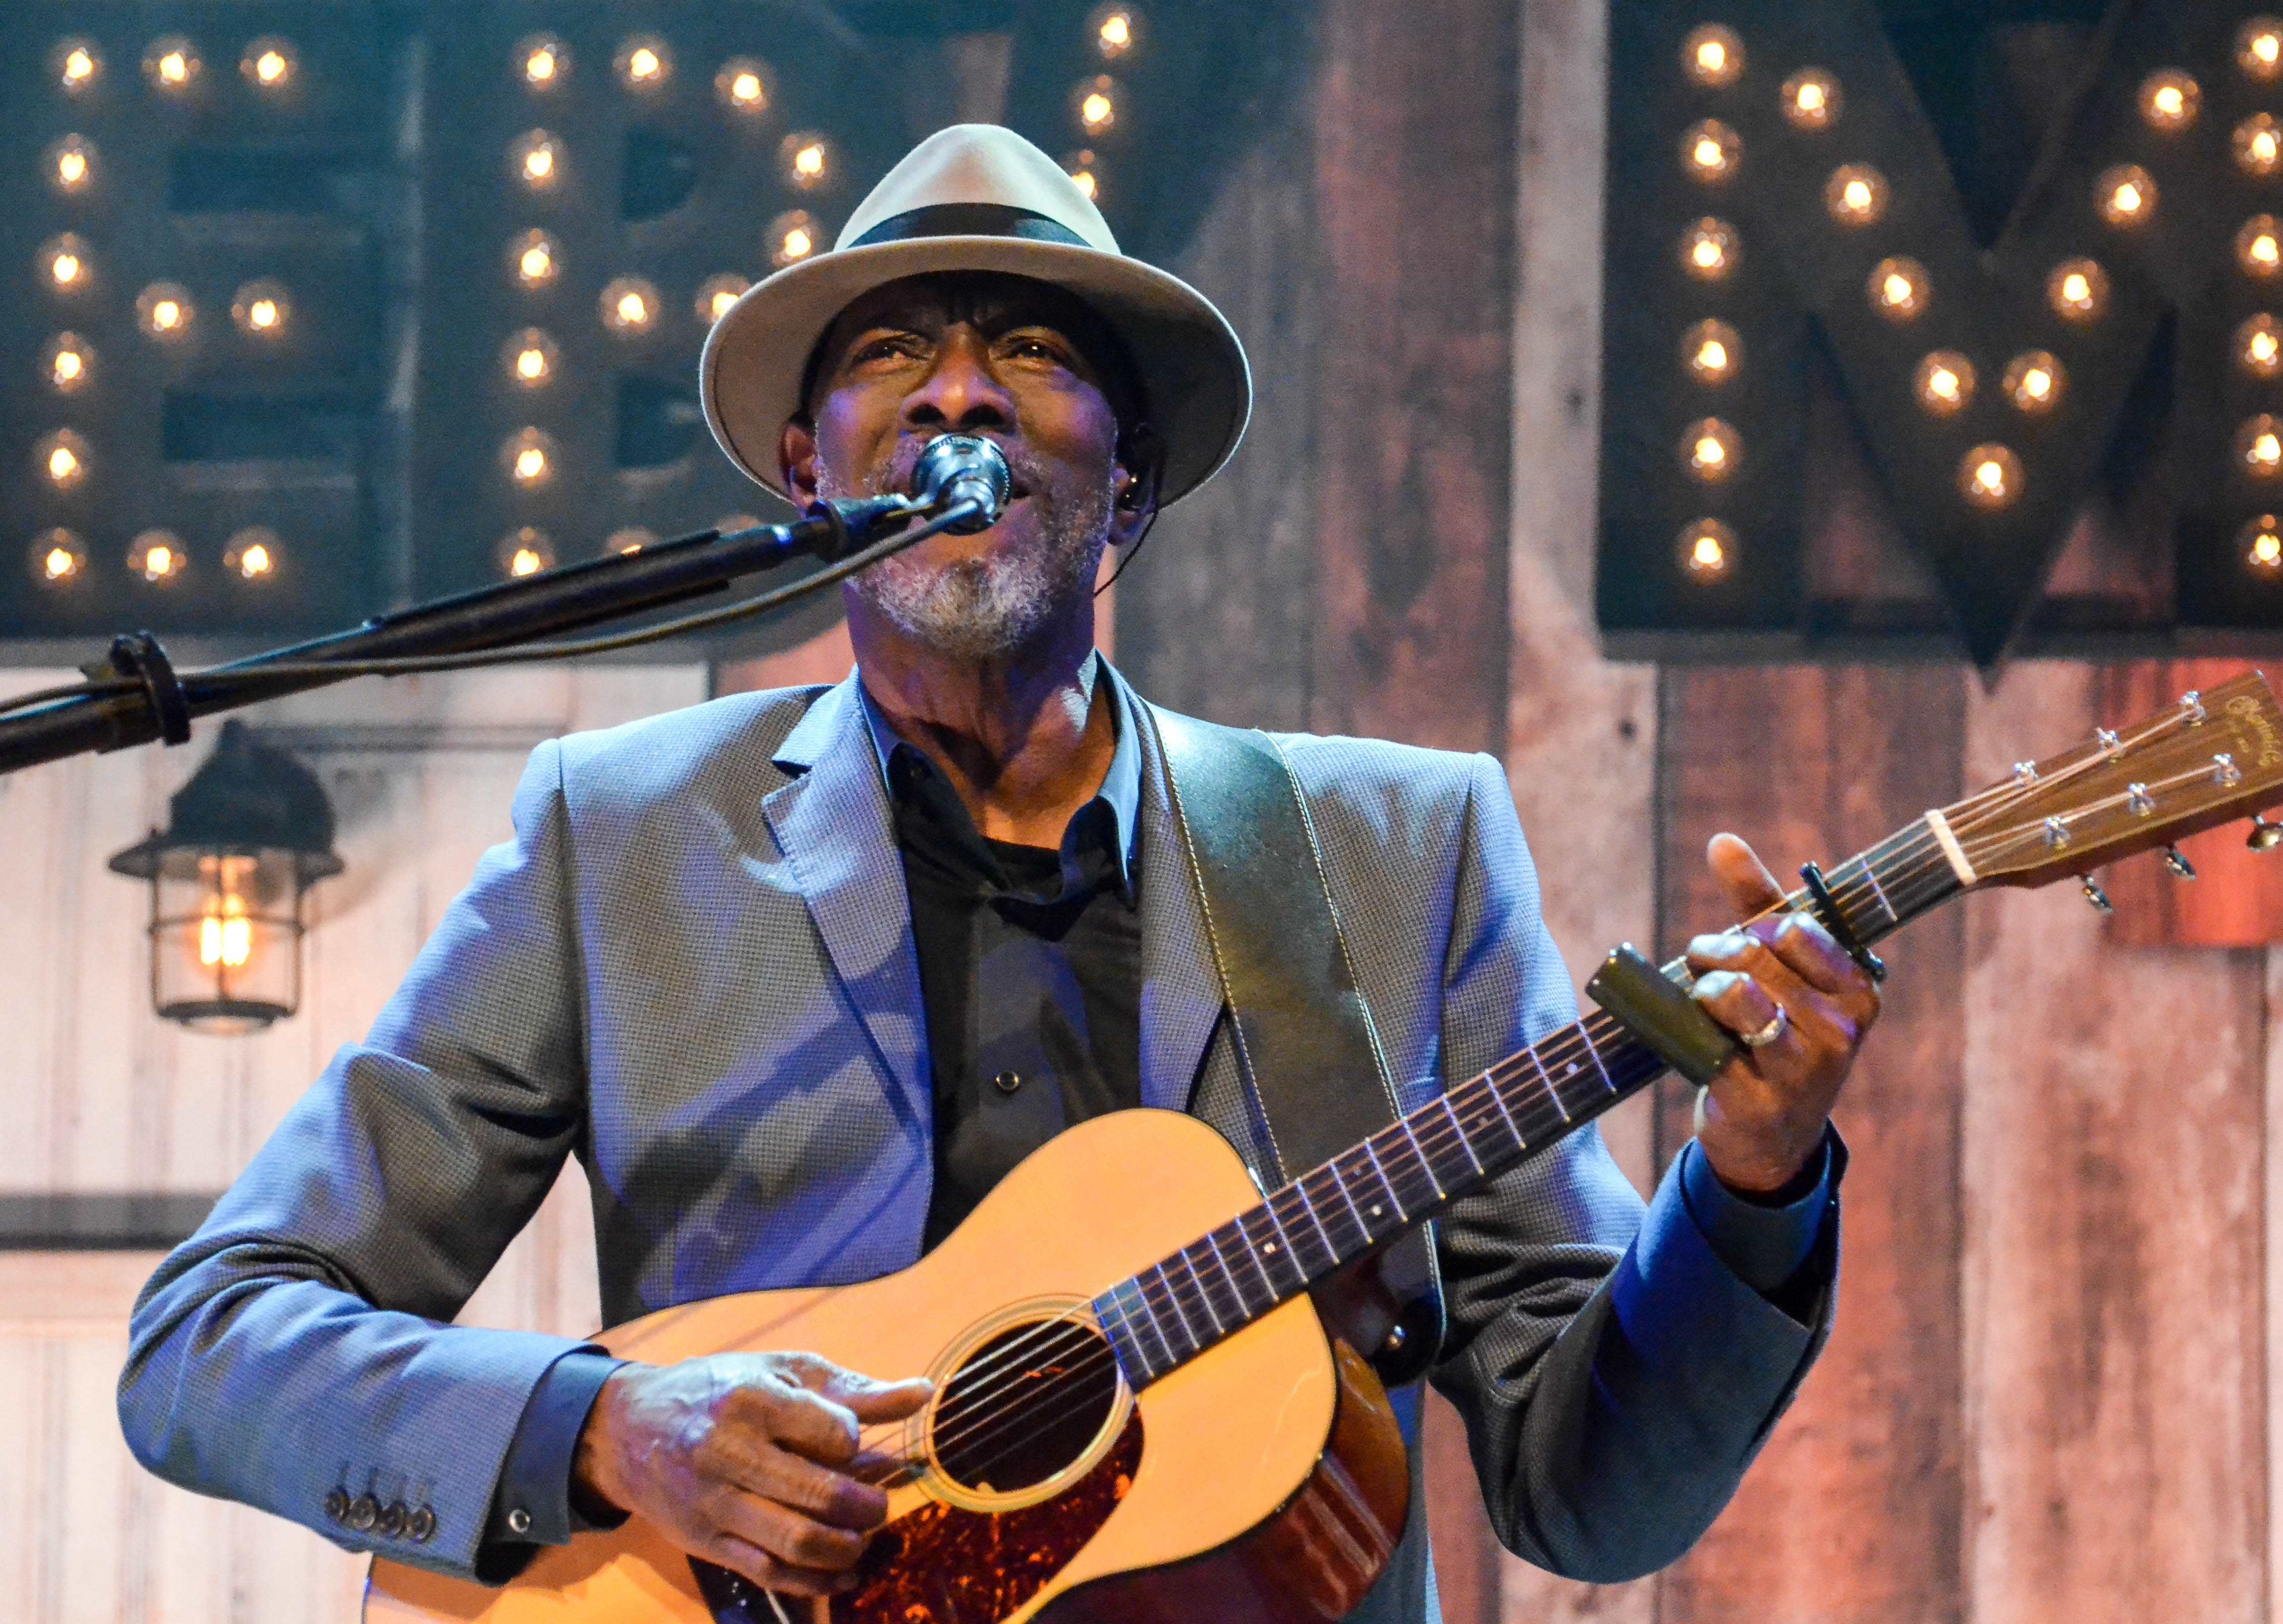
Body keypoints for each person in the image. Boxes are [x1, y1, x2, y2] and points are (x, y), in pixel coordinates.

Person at [120, 125, 1878, 1619]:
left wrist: (1751, 1183)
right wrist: (608, 1429)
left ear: (1127, 491)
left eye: (1032, 350)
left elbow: (1597, 1501)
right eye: (893, 353)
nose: (960, 387)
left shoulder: (1397, 851)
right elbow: (210, 1339)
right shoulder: (623, 836)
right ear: (812, 478)